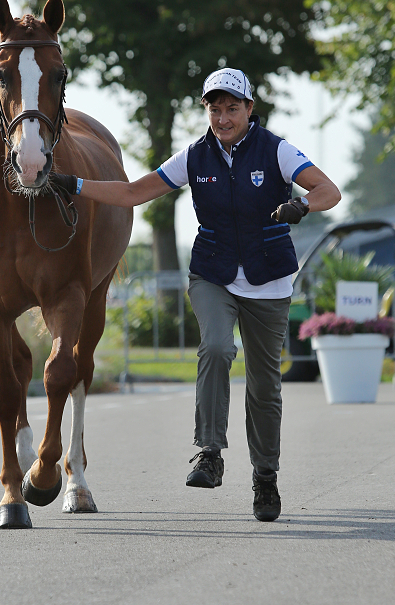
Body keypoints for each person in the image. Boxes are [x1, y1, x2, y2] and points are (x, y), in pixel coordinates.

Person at [51, 68, 341, 521]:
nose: (222, 118)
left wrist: (301, 204)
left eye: (231, 108)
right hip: (213, 274)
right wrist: (75, 185)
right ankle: (209, 451)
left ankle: (265, 477)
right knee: (217, 346)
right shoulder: (194, 156)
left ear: (249, 109)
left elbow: (329, 190)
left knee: (265, 388)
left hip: (268, 280)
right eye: (214, 109)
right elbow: (132, 193)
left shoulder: (277, 150)